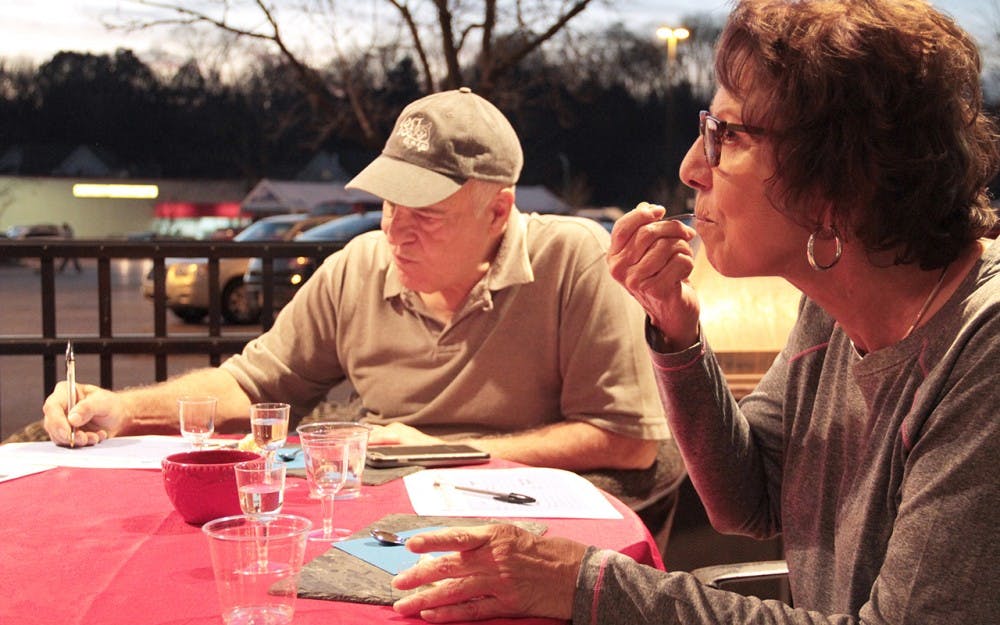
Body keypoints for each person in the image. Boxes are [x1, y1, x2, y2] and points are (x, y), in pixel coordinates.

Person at [384, 1, 1000, 623]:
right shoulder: (830, 310)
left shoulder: (983, 348)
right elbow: (746, 499)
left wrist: (584, 583)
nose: (691, 168)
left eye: (727, 136)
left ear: (837, 177)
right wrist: (675, 331)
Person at [42, 88, 671, 477]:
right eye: (389, 203)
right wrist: (121, 410)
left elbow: (628, 441)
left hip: (520, 515)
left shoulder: (575, 259)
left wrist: (442, 451)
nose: (396, 230)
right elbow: (251, 385)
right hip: (380, 508)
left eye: (426, 213)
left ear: (498, 210)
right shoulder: (357, 266)